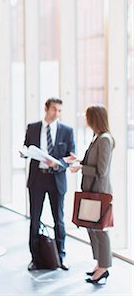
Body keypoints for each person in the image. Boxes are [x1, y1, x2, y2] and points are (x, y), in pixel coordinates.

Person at [22, 97, 75, 271]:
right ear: (46, 109)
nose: (56, 113)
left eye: (59, 110)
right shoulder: (33, 128)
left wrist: (59, 163)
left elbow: (71, 157)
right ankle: (35, 259)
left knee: (58, 220)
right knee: (35, 220)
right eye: (54, 109)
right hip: (37, 179)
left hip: (56, 179)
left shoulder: (67, 131)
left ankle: (61, 256)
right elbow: (26, 147)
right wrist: (23, 152)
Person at [64, 104, 114, 284]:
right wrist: (79, 160)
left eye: (87, 117)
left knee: (100, 230)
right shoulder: (97, 137)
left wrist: (81, 168)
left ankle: (104, 268)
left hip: (99, 191)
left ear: (94, 118)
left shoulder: (105, 139)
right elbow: (93, 162)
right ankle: (99, 265)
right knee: (92, 228)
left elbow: (101, 170)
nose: (85, 121)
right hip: (91, 190)